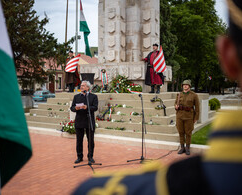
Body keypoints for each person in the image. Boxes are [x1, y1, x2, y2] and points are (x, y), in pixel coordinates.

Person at [72, 0, 242, 194]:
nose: (153, 49)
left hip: (178, 108)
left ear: (227, 57)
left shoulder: (101, 189)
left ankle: (185, 146)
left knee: (184, 130)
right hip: (146, 85)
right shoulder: (151, 56)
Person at [70, 80, 98, 164]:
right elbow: (72, 108)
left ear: (88, 87)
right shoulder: (76, 97)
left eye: (83, 85)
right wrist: (76, 108)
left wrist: (87, 107)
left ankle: (90, 157)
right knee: (79, 140)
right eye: (81, 85)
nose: (81, 87)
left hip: (89, 121)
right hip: (79, 121)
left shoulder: (93, 96)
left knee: (90, 141)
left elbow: (95, 107)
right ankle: (79, 157)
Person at [175, 80, 199, 155]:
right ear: (182, 86)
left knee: (188, 133)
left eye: (187, 85)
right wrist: (175, 106)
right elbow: (175, 103)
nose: (185, 86)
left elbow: (197, 108)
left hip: (189, 116)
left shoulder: (194, 95)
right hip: (179, 116)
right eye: (184, 85)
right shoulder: (179, 94)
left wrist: (196, 118)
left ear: (189, 86)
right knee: (181, 132)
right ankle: (182, 147)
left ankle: (187, 148)